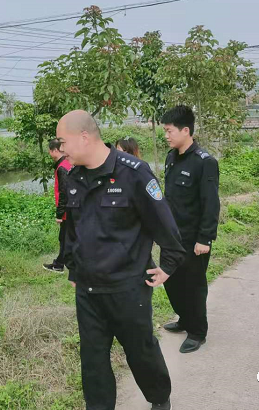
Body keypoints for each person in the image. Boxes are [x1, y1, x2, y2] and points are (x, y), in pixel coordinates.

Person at [57, 110, 186, 410]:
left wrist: (168, 265)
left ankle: (159, 398)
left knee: (141, 351)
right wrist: (74, 267)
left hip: (128, 288)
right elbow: (73, 229)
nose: (61, 149)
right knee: (93, 360)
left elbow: (165, 225)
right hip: (88, 291)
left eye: (63, 142)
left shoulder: (134, 173)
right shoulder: (73, 177)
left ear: (84, 137)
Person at [160, 105, 220, 354]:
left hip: (194, 239)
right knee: (170, 282)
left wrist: (205, 238)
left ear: (186, 130)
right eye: (164, 131)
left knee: (193, 286)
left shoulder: (204, 162)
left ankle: (197, 331)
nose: (166, 135)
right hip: (171, 236)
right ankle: (184, 319)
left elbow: (210, 203)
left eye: (169, 130)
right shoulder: (171, 157)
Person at [43, 138, 73, 273]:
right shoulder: (67, 163)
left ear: (54, 150)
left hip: (68, 210)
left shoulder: (62, 167)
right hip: (72, 207)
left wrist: (60, 214)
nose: (50, 154)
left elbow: (64, 192)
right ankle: (60, 263)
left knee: (65, 238)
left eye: (50, 151)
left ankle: (60, 264)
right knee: (67, 237)